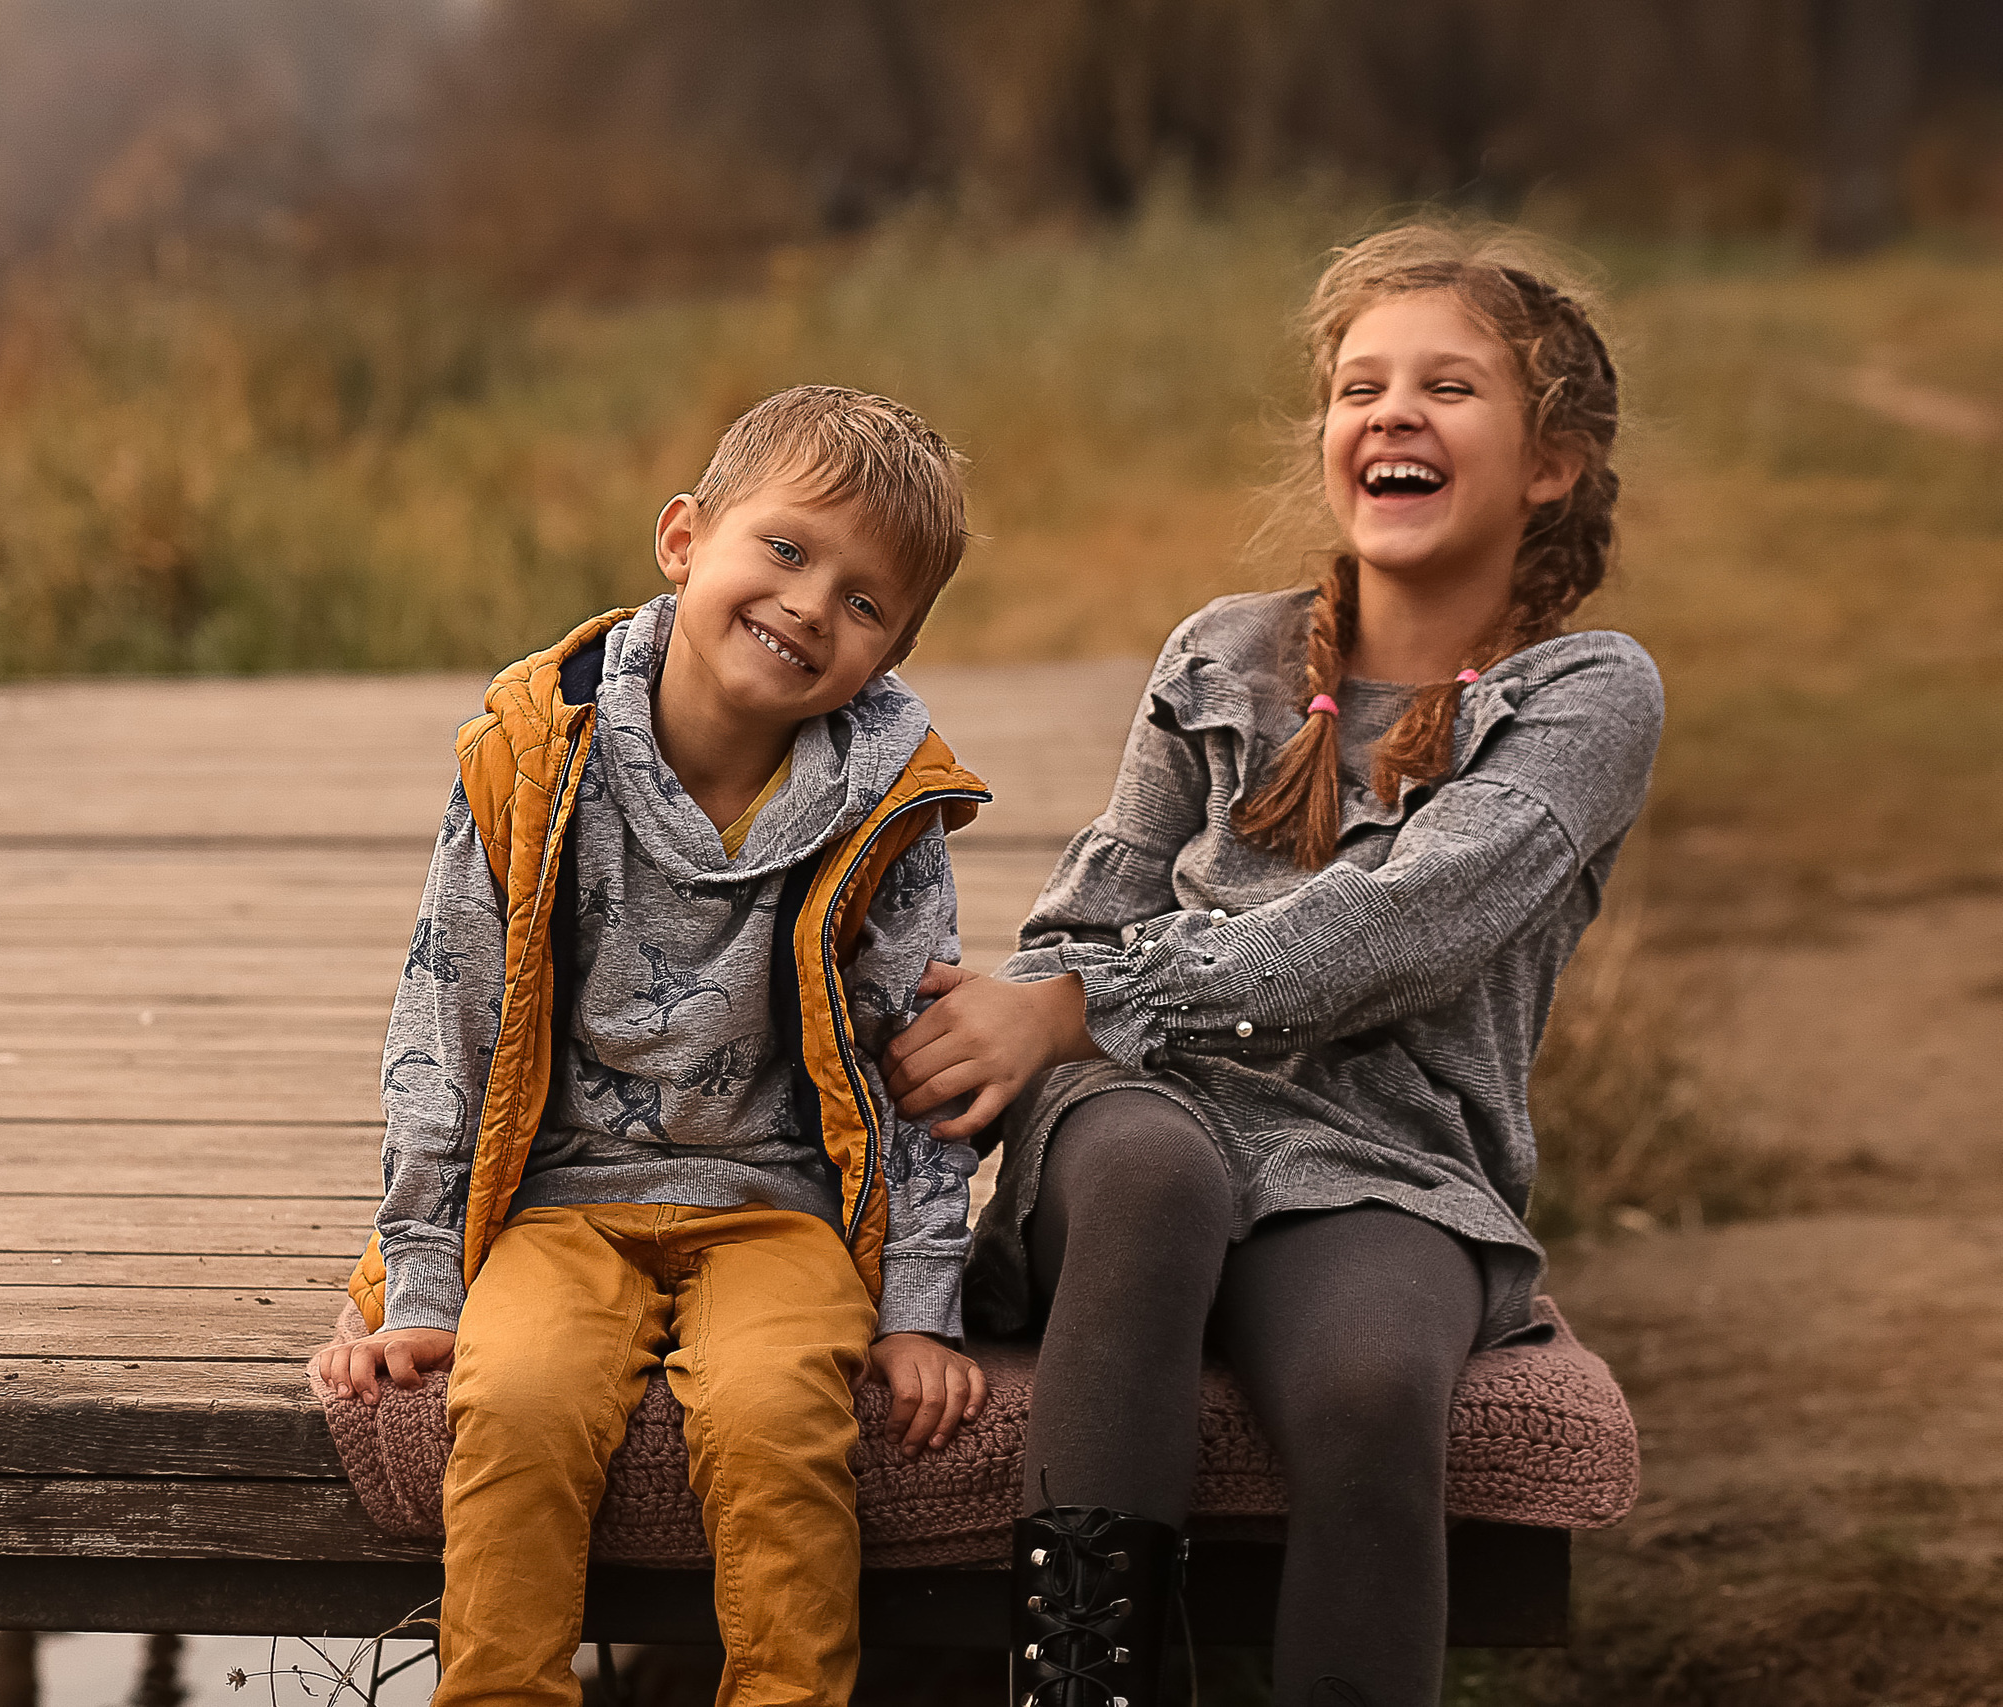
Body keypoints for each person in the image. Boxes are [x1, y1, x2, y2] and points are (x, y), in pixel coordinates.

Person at [882, 223, 1661, 1707]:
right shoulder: (1224, 657)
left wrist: (1077, 1002)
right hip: (1142, 1110)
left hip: (1385, 1159)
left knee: (1373, 1388)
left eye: (1450, 386)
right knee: (1159, 1178)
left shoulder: (1585, 697)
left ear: (1551, 462)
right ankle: (1085, 1683)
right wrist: (1019, 1021)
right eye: (1360, 385)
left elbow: (1403, 921)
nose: (1393, 413)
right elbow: (1083, 922)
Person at [314, 385, 992, 1707]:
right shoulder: (531, 760)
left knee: (778, 1425)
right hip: (556, 1200)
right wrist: (422, 1275)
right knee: (514, 1412)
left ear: (893, 652)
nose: (809, 605)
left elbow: (918, 1063)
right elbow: (447, 1024)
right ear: (684, 538)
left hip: (778, 1208)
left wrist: (918, 1308)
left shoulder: (886, 813)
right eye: (787, 551)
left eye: (865, 602)